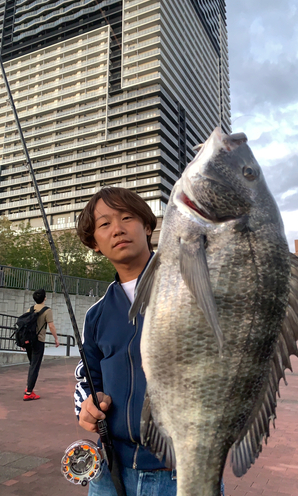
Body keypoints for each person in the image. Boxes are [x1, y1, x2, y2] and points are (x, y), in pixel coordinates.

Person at [73, 187, 177, 496]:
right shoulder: (96, 315)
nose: (117, 228)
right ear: (95, 243)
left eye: (127, 217)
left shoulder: (190, 288)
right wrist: (87, 406)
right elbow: (86, 377)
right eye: (104, 224)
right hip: (108, 472)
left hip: (179, 473)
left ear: (147, 226)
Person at [24, 288, 60, 401]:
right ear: (44, 298)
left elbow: (24, 326)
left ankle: (28, 388)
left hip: (28, 341)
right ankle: (29, 392)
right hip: (38, 341)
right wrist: (56, 339)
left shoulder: (29, 309)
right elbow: (51, 326)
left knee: (32, 364)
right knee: (35, 366)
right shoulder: (47, 311)